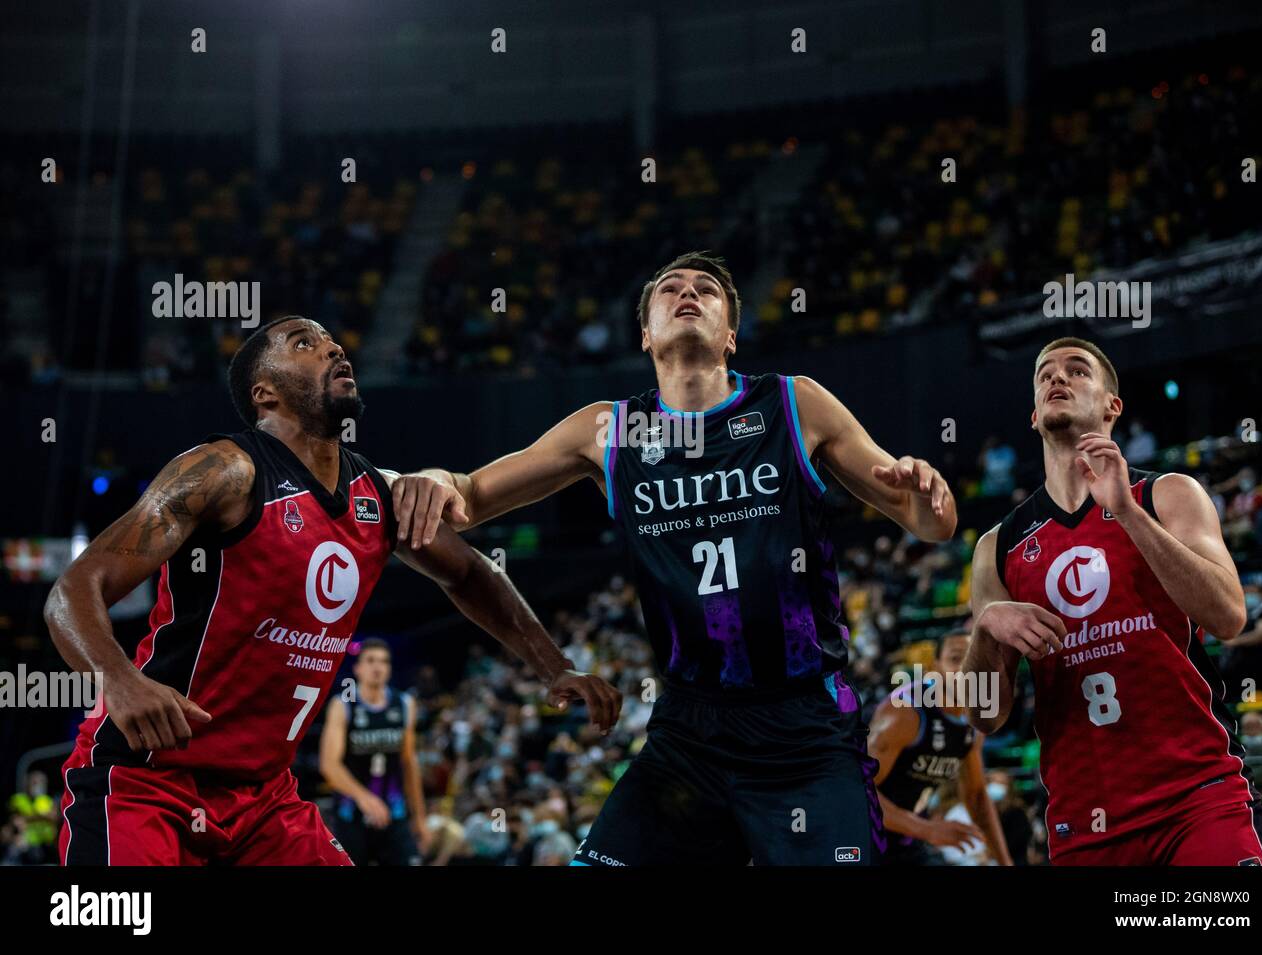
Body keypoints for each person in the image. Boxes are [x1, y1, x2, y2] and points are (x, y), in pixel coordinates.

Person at [422, 252, 958, 865]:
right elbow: (466, 496)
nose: (688, 293)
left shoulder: (795, 404)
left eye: (706, 289)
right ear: (646, 334)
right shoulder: (611, 431)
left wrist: (927, 495)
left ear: (730, 335)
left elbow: (927, 523)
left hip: (805, 730)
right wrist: (430, 477)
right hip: (689, 734)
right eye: (671, 289)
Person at [46, 315, 621, 866]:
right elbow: (73, 590)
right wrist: (118, 681)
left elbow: (471, 572)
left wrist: (555, 668)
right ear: (264, 392)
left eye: (334, 343)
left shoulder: (379, 496)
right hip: (145, 781)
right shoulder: (223, 470)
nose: (334, 349)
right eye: (304, 342)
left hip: (265, 800)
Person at [962, 336, 1262, 865]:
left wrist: (1128, 515)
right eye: (1045, 375)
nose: (1056, 379)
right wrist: (985, 628)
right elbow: (984, 715)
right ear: (1034, 415)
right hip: (1085, 826)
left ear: (1113, 406)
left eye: (1077, 370)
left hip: (1198, 799)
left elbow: (1228, 615)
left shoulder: (1168, 494)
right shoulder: (997, 547)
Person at [868, 631, 1012, 865]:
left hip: (907, 837)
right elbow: (859, 790)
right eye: (955, 659)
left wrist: (1005, 861)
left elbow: (975, 796)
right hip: (861, 836)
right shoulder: (905, 713)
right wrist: (927, 829)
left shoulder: (973, 722)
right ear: (934, 668)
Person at [320, 638, 425, 865]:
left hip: (394, 813)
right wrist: (364, 797)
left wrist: (420, 817)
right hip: (351, 814)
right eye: (370, 661)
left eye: (384, 662)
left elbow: (409, 762)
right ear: (358, 668)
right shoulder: (343, 705)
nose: (377, 667)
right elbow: (329, 765)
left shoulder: (405, 703)